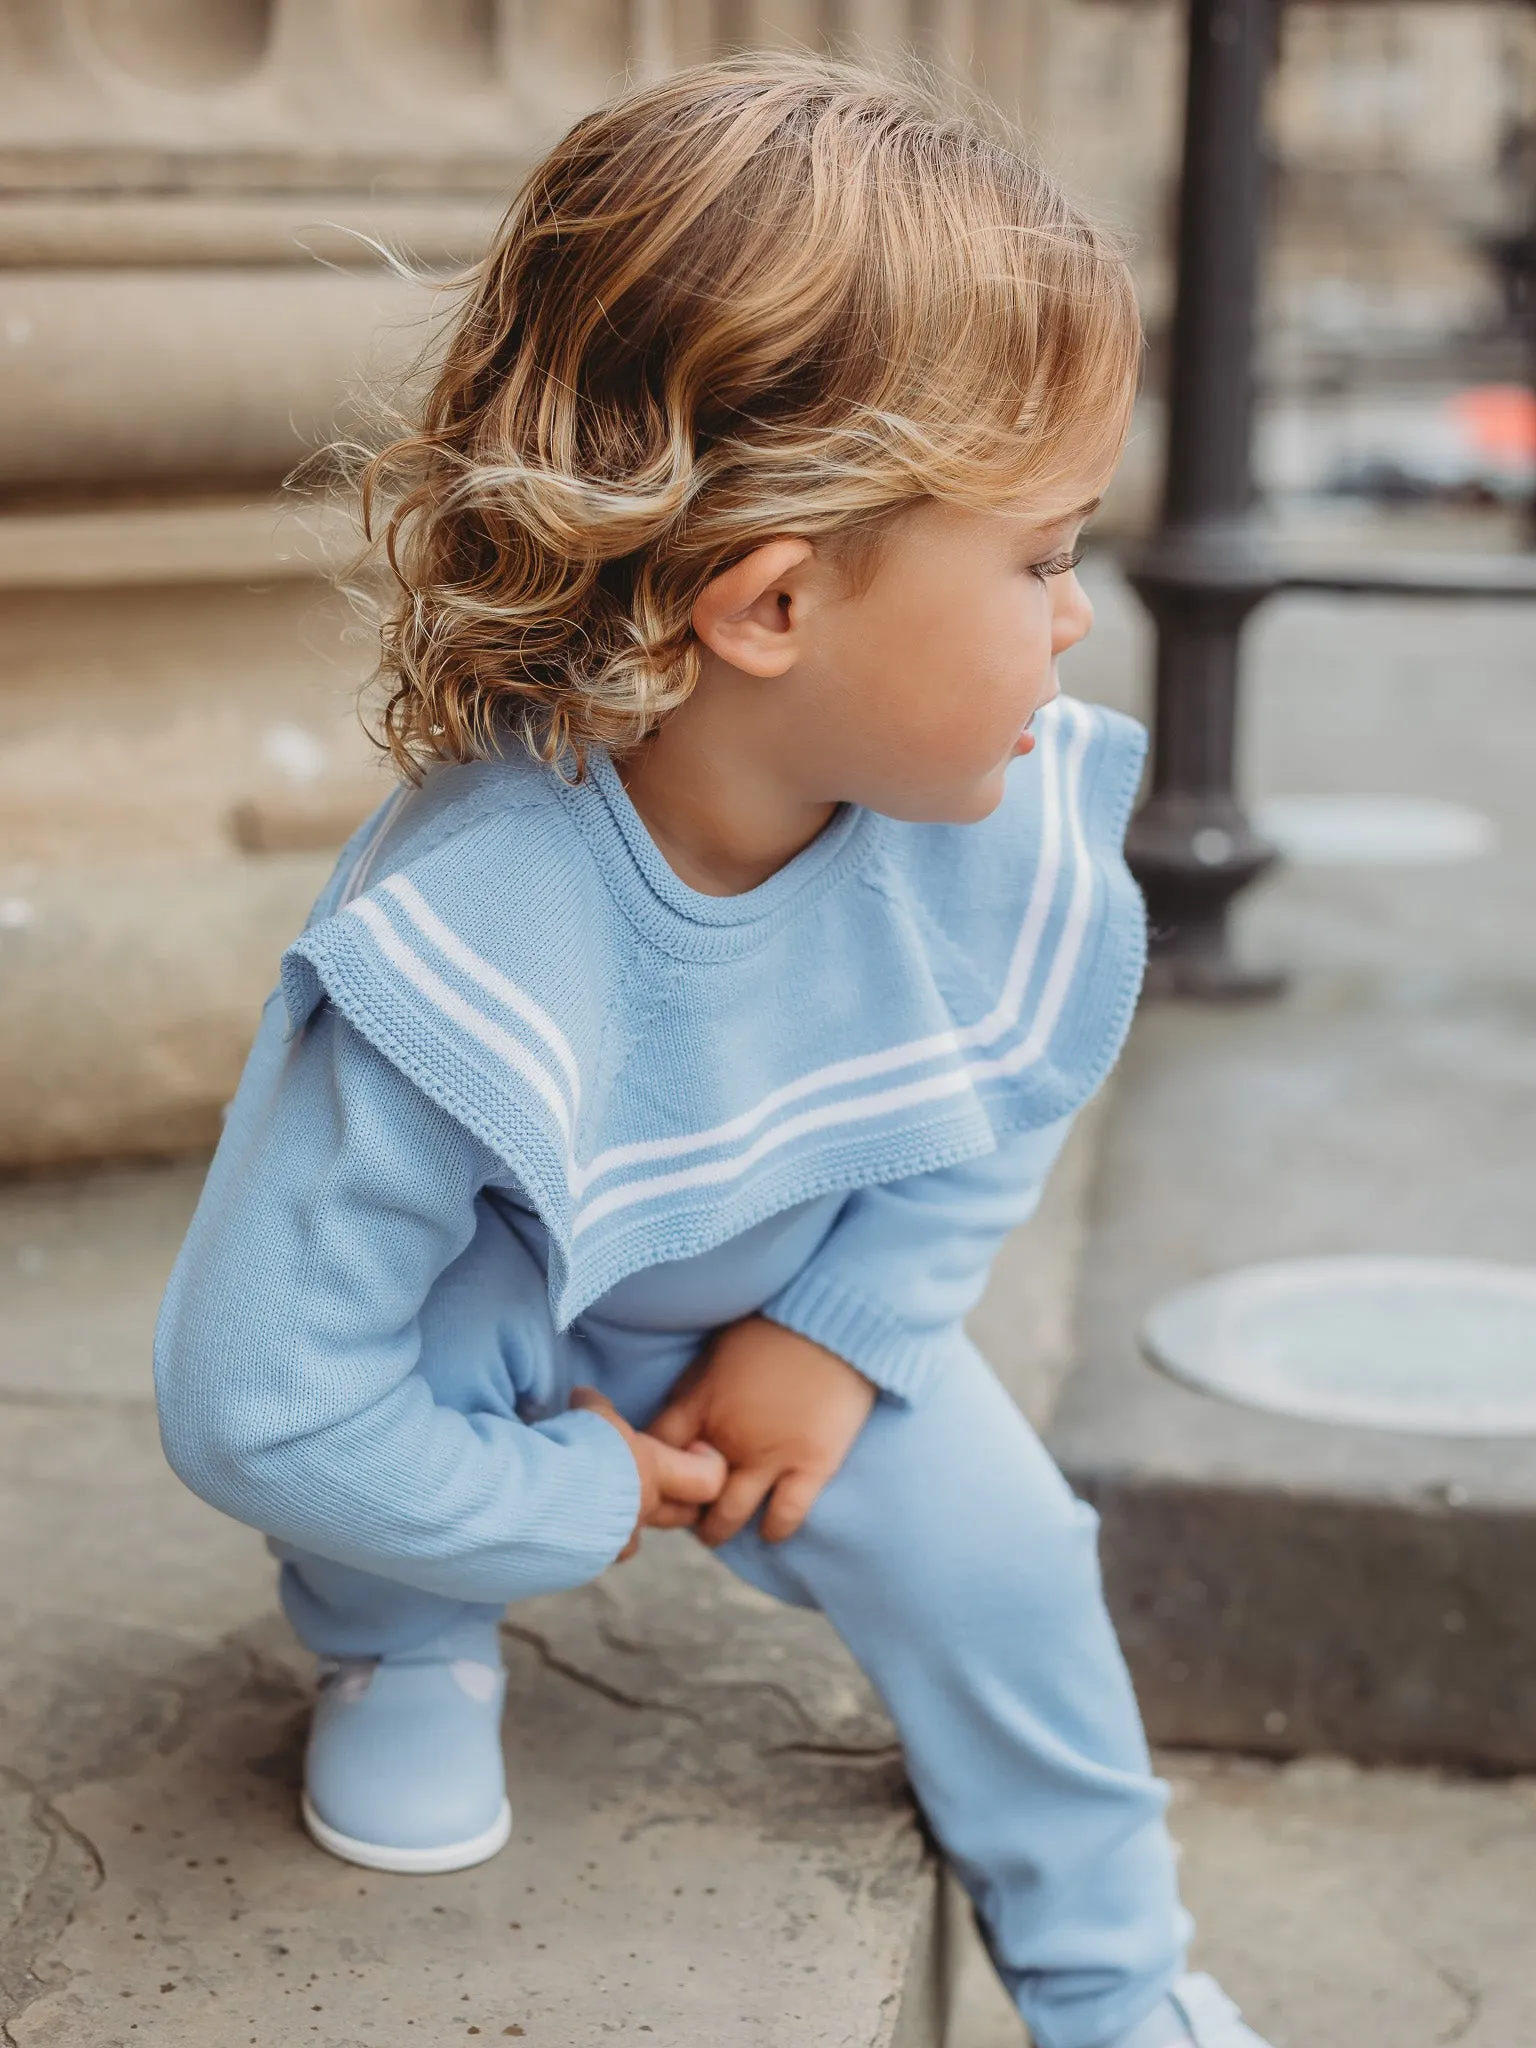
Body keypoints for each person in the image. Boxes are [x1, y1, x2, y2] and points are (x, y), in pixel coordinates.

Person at [155, 55, 1273, 2048]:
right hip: (483, 1338)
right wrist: (559, 1505)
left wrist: (841, 1327)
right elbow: (264, 1394)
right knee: (408, 1400)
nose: (1079, 622)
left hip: (753, 1304)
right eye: (1038, 557)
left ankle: (1117, 1981)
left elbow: (992, 1088)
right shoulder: (467, 933)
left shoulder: (981, 823)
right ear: (769, 602)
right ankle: (399, 1643)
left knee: (1014, 1552)